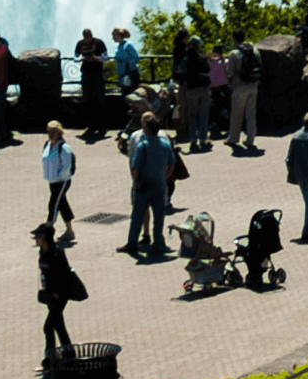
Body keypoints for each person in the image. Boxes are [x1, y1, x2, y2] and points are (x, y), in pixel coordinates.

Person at [119, 111, 176, 257]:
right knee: (159, 217)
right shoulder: (165, 143)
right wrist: (164, 176)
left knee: (137, 217)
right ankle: (158, 243)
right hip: (160, 184)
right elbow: (171, 164)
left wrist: (136, 181)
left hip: (143, 186)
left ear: (147, 128)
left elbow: (135, 166)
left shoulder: (142, 145)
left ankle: (132, 244)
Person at [33, 222, 86, 376]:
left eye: (38, 236)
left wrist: (57, 292)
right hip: (50, 296)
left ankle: (50, 361)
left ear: (45, 238)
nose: (36, 239)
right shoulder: (42, 252)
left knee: (48, 327)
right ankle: (70, 358)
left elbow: (65, 276)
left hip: (59, 296)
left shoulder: (57, 253)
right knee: (59, 327)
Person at [226, 31, 262, 151]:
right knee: (251, 114)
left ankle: (233, 138)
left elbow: (230, 72)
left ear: (234, 40)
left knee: (237, 114)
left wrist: (229, 82)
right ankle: (250, 139)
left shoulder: (234, 53)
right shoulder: (254, 51)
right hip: (254, 84)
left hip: (240, 86)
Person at [41, 121, 76, 240]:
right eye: (49, 132)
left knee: (53, 204)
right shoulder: (47, 145)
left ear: (59, 132)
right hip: (52, 181)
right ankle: (70, 231)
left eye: (53, 132)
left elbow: (67, 166)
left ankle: (48, 228)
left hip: (62, 181)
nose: (50, 134)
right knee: (62, 204)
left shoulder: (64, 147)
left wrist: (58, 178)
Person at [181, 35, 213, 152]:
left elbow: (183, 73)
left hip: (192, 89)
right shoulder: (202, 58)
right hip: (204, 88)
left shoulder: (186, 59)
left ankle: (193, 139)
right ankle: (203, 139)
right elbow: (208, 70)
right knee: (204, 114)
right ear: (199, 46)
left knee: (193, 115)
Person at [75, 28, 107, 140]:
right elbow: (75, 56)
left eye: (89, 36)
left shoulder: (99, 43)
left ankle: (102, 126)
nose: (87, 39)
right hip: (86, 73)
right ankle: (91, 125)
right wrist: (79, 58)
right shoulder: (80, 43)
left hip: (97, 73)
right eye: (85, 37)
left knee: (99, 99)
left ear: (92, 36)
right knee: (88, 99)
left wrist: (97, 58)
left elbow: (105, 56)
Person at [110, 25, 141, 96]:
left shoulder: (128, 45)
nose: (113, 38)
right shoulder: (119, 46)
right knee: (125, 95)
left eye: (114, 36)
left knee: (132, 95)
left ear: (119, 35)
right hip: (122, 75)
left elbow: (136, 58)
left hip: (130, 73)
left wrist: (127, 63)